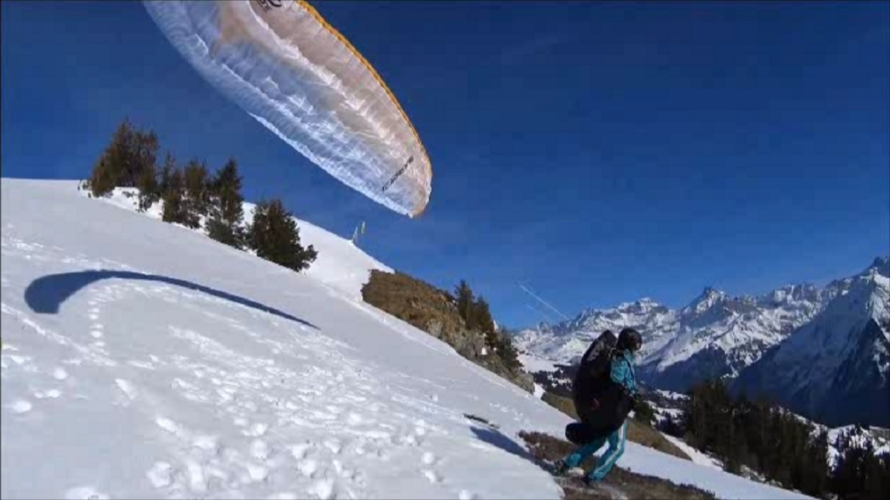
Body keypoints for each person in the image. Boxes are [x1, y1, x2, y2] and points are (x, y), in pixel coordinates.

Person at [555, 327, 642, 484]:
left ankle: (567, 464)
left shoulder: (620, 357)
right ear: (629, 344)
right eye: (636, 346)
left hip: (607, 409)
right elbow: (616, 379)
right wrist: (630, 393)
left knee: (598, 441)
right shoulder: (621, 358)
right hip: (616, 410)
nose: (637, 350)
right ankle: (594, 477)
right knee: (617, 448)